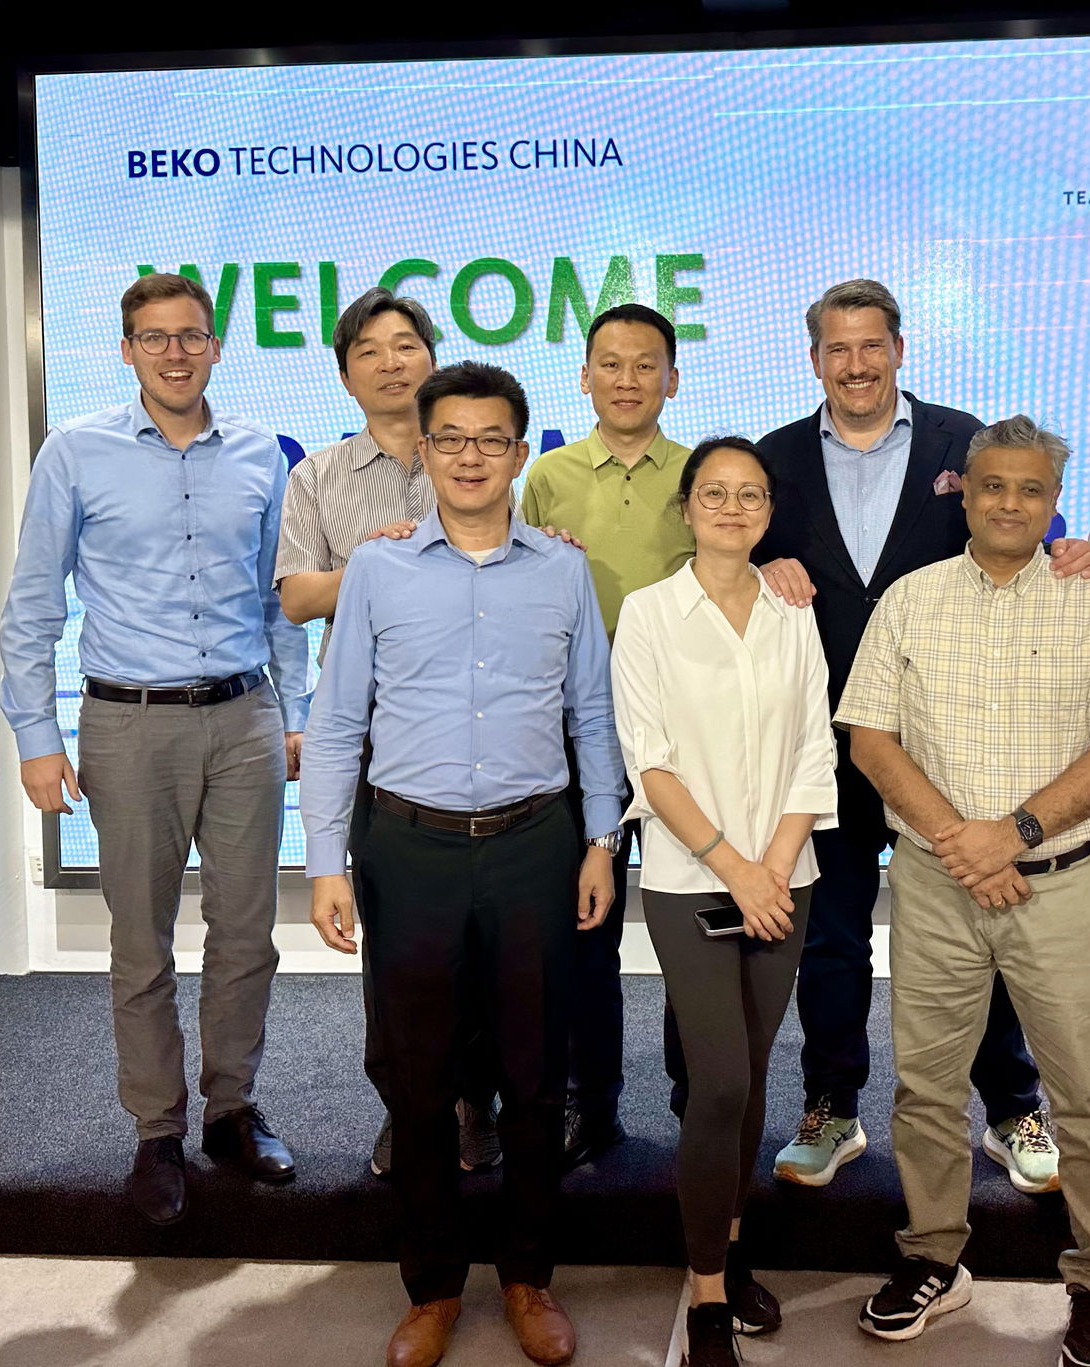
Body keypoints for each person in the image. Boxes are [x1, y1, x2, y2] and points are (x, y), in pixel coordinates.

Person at [301, 361, 625, 1367]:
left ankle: (528, 1275)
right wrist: (323, 860)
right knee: (418, 1079)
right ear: (426, 449)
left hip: (535, 842)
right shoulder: (378, 568)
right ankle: (433, 1286)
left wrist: (601, 838)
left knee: (534, 1076)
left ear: (520, 452)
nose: (471, 456)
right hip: (408, 847)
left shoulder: (561, 569)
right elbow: (338, 717)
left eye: (491, 438)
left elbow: (591, 712)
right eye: (451, 438)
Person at [756, 279, 1090, 1192]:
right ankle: (832, 1105)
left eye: (871, 345)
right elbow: (734, 561)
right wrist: (763, 563)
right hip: (829, 740)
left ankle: (1011, 1107)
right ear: (814, 359)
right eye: (838, 348)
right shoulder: (774, 459)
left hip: (958, 744)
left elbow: (1016, 530)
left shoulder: (964, 441)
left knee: (985, 918)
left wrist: (1072, 549)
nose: (857, 364)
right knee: (831, 939)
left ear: (900, 349)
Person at [836, 416, 1090, 1367]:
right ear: (965, 493)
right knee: (926, 1088)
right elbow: (870, 738)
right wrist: (962, 843)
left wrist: (1011, 834)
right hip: (937, 885)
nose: (1010, 503)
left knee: (1086, 1097)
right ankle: (932, 1256)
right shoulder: (911, 598)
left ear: (1052, 499)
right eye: (992, 485)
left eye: (1029, 488)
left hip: (1060, 886)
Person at [0, 272, 309, 1226]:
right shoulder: (75, 450)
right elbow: (33, 603)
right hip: (127, 725)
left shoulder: (262, 454)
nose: (176, 353)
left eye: (191, 336)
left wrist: (295, 712)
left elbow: (280, 601)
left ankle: (231, 1109)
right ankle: (156, 1130)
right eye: (156, 338)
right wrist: (36, 735)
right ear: (127, 349)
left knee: (247, 933)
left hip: (246, 718)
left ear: (216, 345)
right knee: (141, 942)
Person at [611, 435, 837, 1367]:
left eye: (750, 495)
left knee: (751, 1068)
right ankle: (706, 1289)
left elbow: (814, 745)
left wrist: (773, 864)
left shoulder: (792, 610)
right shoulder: (648, 613)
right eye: (715, 492)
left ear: (769, 510)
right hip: (689, 878)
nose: (733, 508)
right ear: (687, 506)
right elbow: (649, 761)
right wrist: (735, 869)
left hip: (787, 878)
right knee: (723, 1080)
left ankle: (730, 1240)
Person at [274, 286, 499, 1178]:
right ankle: (410, 1105)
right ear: (345, 374)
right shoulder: (319, 476)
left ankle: (474, 1100)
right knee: (399, 940)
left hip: (480, 729)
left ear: (432, 357)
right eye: (369, 350)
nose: (391, 362)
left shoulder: (478, 458)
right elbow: (297, 597)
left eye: (406, 344)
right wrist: (379, 560)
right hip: (375, 738)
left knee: (480, 935)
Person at [519, 302, 695, 1170]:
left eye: (645, 364)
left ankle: (698, 1103)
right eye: (611, 365)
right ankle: (590, 1104)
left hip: (684, 729)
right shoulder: (546, 475)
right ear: (584, 377)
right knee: (582, 925)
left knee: (691, 921)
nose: (628, 380)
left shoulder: (704, 473)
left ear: (673, 378)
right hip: (574, 725)